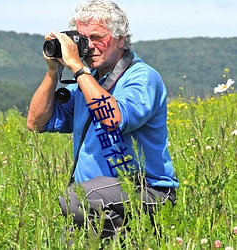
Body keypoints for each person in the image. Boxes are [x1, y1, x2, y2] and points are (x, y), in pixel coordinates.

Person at [27, 0, 179, 244]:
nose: (89, 47)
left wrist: (77, 67)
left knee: (75, 199)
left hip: (147, 192)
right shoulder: (86, 83)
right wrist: (53, 70)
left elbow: (112, 119)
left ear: (120, 39)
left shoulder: (141, 77)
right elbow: (36, 123)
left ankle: (132, 240)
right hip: (97, 200)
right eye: (83, 39)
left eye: (97, 37)